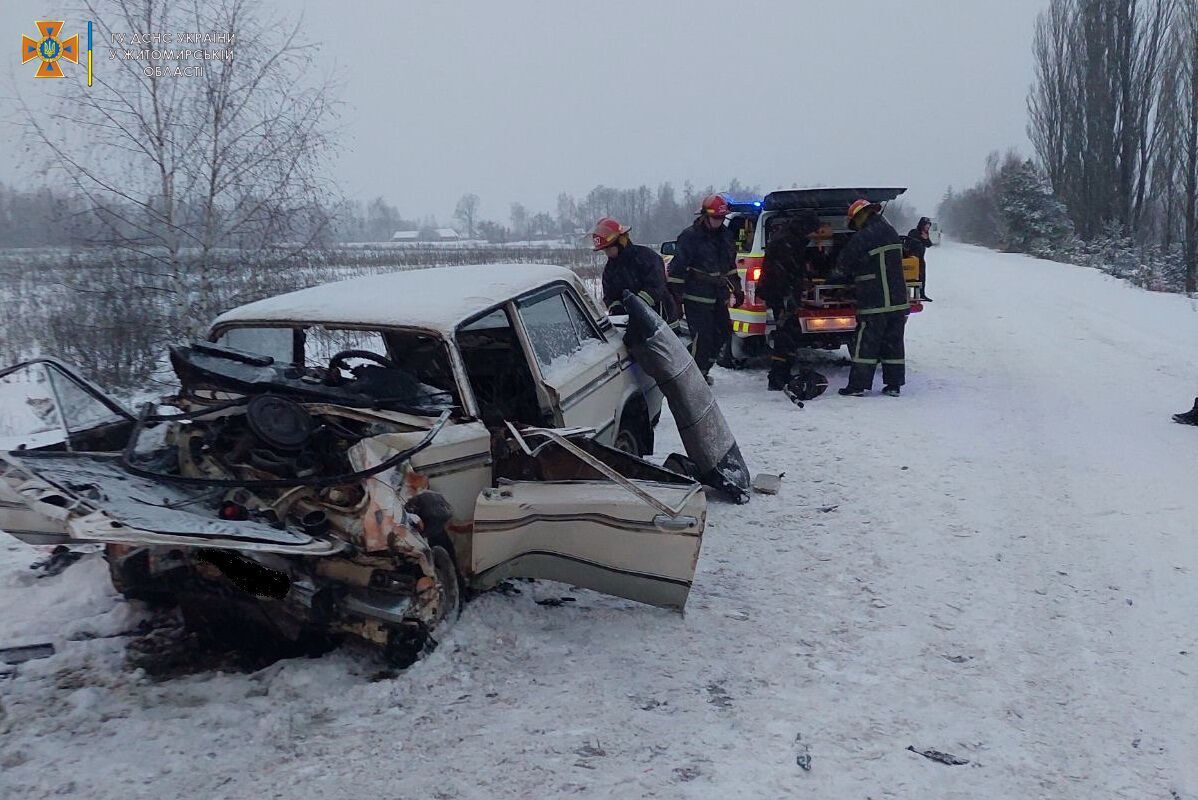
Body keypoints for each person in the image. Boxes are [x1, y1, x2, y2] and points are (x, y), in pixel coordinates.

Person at [835, 198, 910, 397]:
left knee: (866, 344)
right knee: (893, 344)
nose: (855, 227)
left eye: (855, 223)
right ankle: (894, 385)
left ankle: (857, 386)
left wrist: (834, 278)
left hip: (875, 300)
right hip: (898, 300)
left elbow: (844, 263)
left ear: (861, 215)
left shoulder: (864, 236)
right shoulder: (890, 231)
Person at [667, 194, 743, 383]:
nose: (718, 222)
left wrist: (737, 289)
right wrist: (675, 299)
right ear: (704, 215)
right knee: (703, 338)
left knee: (724, 331)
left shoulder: (725, 235)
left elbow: (730, 265)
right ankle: (693, 378)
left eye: (721, 218)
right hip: (696, 295)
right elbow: (677, 269)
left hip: (718, 295)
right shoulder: (690, 237)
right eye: (715, 218)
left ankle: (702, 369)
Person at [758, 211, 822, 391]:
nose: (812, 235)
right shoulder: (787, 242)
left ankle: (781, 373)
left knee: (790, 333)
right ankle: (777, 377)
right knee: (786, 334)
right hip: (780, 294)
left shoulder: (791, 238)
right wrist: (788, 297)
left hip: (783, 293)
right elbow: (783, 273)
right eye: (812, 231)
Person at [591, 216, 677, 326]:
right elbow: (610, 295)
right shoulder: (610, 269)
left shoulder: (647, 257)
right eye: (604, 250)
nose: (607, 253)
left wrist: (636, 305)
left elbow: (656, 287)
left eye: (608, 248)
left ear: (621, 241)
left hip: (664, 322)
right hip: (636, 325)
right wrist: (617, 308)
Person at [905, 216, 935, 301]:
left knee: (922, 277)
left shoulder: (925, 233)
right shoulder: (914, 232)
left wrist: (925, 238)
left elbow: (929, 244)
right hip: (912, 258)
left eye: (929, 225)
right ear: (922, 224)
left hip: (921, 259)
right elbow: (908, 243)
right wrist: (920, 239)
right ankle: (907, 295)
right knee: (910, 277)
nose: (928, 227)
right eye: (926, 225)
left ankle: (922, 294)